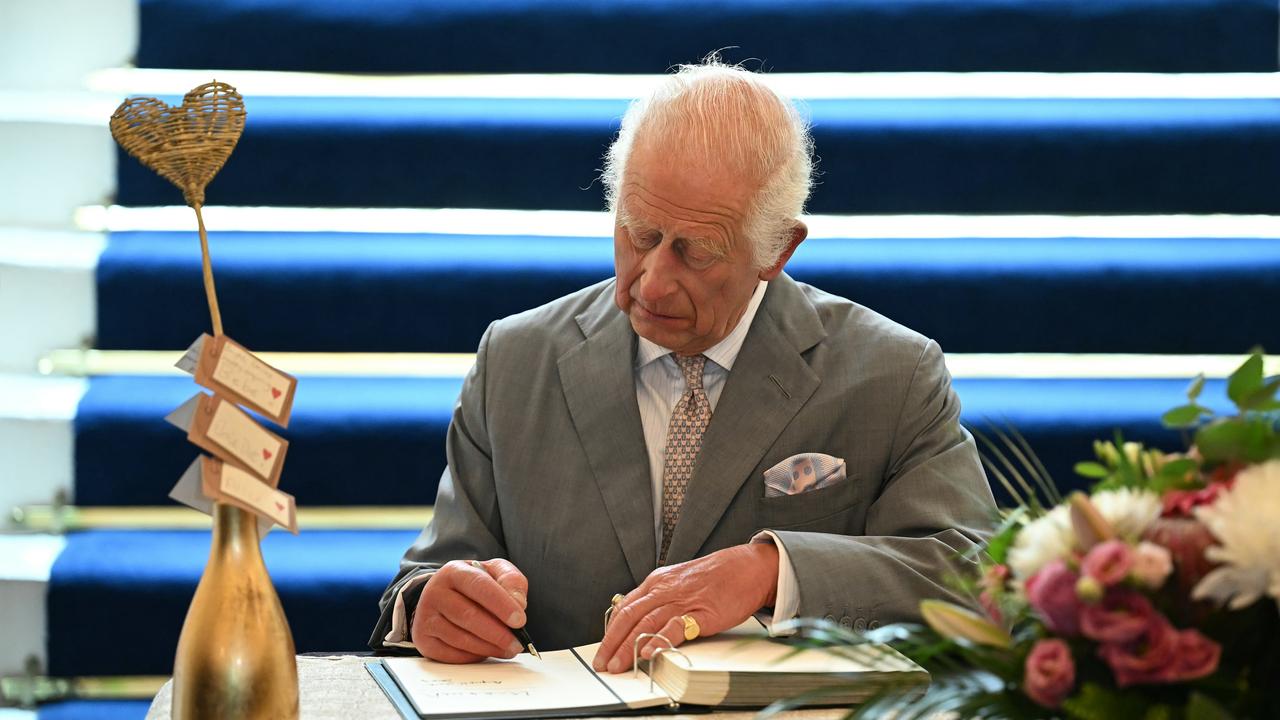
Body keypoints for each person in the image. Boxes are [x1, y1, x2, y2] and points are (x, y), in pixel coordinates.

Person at [369, 57, 996, 673]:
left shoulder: (893, 373)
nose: (654, 283)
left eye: (695, 253)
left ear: (777, 249)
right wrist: (428, 605)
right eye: (639, 235)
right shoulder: (516, 359)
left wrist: (773, 570)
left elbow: (978, 579)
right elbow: (432, 572)